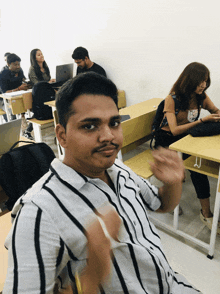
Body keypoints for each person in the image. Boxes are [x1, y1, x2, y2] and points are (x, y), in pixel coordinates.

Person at [3, 72, 201, 294]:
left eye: (114, 123)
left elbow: (162, 204)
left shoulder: (119, 170)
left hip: (173, 285)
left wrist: (173, 184)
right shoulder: (38, 213)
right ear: (62, 135)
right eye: (89, 126)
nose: (109, 136)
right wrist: (92, 276)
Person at [154, 62, 220, 233]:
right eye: (200, 82)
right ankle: (173, 199)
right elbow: (174, 130)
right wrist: (203, 120)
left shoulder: (201, 96)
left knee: (198, 165)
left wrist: (216, 114)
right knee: (195, 167)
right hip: (167, 140)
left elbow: (214, 110)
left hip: (184, 138)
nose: (203, 85)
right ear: (189, 81)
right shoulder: (172, 99)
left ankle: (206, 213)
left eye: (205, 81)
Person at [0, 53, 33, 138]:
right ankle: (14, 134)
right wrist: (19, 88)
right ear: (8, 64)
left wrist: (27, 85)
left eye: (18, 64)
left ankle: (27, 129)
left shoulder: (20, 70)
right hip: (4, 100)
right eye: (15, 65)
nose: (18, 66)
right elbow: (5, 92)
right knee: (12, 114)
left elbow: (22, 81)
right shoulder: (3, 74)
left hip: (18, 96)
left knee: (31, 102)